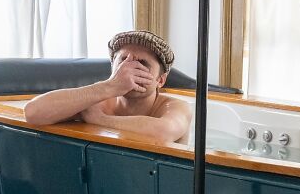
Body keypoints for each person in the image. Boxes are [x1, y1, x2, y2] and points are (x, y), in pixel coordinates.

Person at [24, 31, 192, 143]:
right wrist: (110, 86)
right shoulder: (97, 101)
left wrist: (100, 120)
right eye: (123, 61)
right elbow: (33, 112)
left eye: (141, 63)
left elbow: (164, 132)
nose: (130, 69)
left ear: (160, 80)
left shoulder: (176, 107)